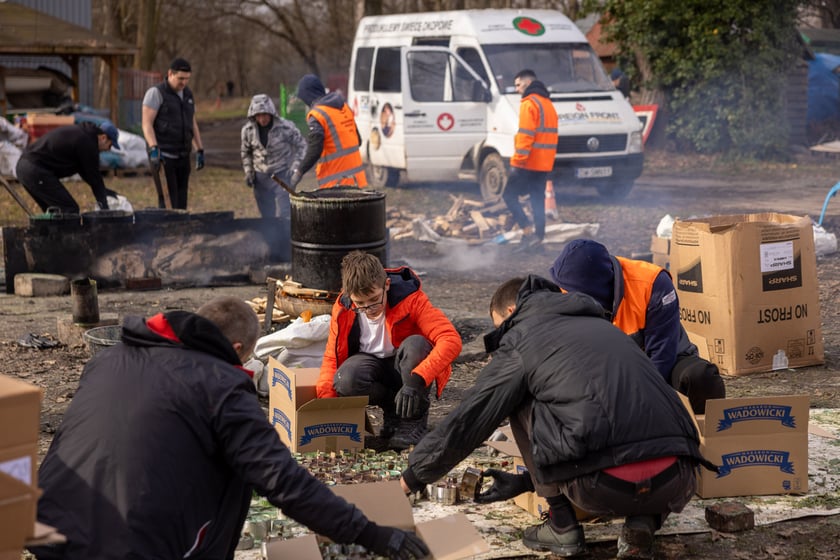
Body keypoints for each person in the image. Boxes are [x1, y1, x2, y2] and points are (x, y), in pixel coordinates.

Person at [30, 296, 428, 560]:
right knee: (241, 467)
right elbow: (284, 482)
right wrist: (376, 535)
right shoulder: (221, 387)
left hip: (48, 526)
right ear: (237, 349)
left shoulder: (110, 358)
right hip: (132, 547)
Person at [400, 276, 713, 559]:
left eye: (500, 328)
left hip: (602, 487)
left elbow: (471, 419)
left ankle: (562, 526)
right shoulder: (608, 329)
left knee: (515, 395)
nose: (502, 338)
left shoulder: (523, 340)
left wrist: (412, 477)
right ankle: (643, 521)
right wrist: (525, 482)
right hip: (679, 480)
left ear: (511, 312)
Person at [549, 239, 726, 414]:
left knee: (700, 376)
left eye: (571, 291)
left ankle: (699, 434)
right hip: (607, 370)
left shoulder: (651, 283)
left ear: (597, 289)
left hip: (663, 363)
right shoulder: (563, 291)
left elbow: (662, 355)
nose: (565, 294)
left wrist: (634, 405)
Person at [317, 250, 462, 450]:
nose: (369, 309)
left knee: (415, 346)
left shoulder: (412, 299)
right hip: (373, 368)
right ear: (349, 295)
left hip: (408, 370)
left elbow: (451, 340)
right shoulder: (343, 308)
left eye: (374, 299)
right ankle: (394, 410)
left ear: (386, 285)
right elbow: (331, 357)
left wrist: (418, 378)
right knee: (346, 379)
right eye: (360, 304)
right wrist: (327, 406)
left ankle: (414, 419)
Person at [503, 69, 558, 253]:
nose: (517, 89)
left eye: (518, 85)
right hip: (544, 165)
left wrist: (517, 163)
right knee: (537, 201)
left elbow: (526, 136)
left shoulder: (529, 104)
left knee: (509, 196)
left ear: (527, 84)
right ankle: (539, 237)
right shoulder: (548, 104)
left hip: (527, 164)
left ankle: (527, 233)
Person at [15, 121, 120, 214]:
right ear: (103, 137)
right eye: (110, 145)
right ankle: (68, 237)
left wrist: (104, 191)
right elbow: (94, 177)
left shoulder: (84, 135)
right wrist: (106, 211)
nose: (108, 150)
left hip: (25, 167)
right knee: (69, 209)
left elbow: (87, 173)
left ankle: (51, 236)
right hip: (34, 169)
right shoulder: (88, 142)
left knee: (55, 211)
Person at [142, 57, 205, 209]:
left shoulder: (188, 94)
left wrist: (199, 149)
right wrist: (154, 149)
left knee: (182, 202)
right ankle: (166, 232)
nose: (183, 83)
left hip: (183, 156)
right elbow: (147, 124)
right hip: (163, 157)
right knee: (169, 202)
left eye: (187, 79)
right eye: (180, 78)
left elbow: (192, 123)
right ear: (170, 74)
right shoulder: (156, 93)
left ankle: (181, 231)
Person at [290, 74, 368, 190]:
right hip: (356, 180)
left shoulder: (317, 115)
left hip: (335, 184)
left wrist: (298, 173)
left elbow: (315, 149)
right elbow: (358, 141)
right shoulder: (345, 107)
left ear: (308, 95)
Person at [240, 94, 307, 218]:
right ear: (253, 116)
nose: (262, 119)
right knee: (267, 217)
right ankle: (270, 237)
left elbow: (302, 146)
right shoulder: (247, 130)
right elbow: (245, 152)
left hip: (282, 175)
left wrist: (295, 167)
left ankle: (286, 237)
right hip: (260, 178)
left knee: (286, 215)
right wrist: (249, 172)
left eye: (265, 114)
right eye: (258, 115)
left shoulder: (286, 127)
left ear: (271, 113)